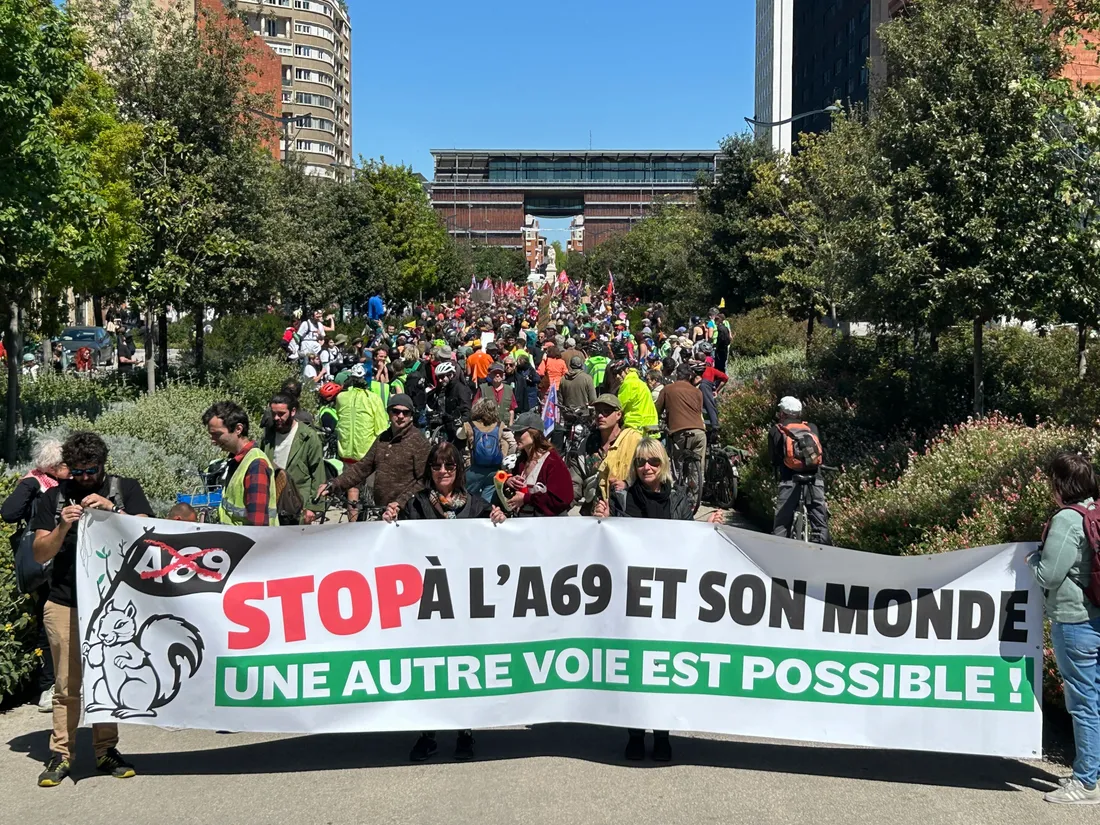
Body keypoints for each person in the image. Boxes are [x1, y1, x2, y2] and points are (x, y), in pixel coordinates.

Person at [31, 431, 153, 787]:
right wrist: (62, 525)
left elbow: (149, 536)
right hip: (64, 602)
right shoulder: (53, 498)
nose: (85, 478)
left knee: (107, 680)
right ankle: (61, 756)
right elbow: (40, 553)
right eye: (78, 472)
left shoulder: (124, 488)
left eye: (92, 470)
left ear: (103, 464)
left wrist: (115, 512)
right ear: (68, 468)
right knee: (67, 686)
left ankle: (105, 751)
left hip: (111, 607)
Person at [593, 438, 721, 760]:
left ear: (662, 464)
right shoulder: (622, 499)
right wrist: (601, 520)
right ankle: (635, 733)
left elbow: (688, 542)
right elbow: (603, 544)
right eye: (640, 463)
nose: (646, 468)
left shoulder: (678, 500)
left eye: (652, 462)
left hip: (668, 599)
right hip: (632, 598)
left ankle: (662, 734)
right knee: (635, 666)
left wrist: (707, 530)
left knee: (662, 667)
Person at [394, 442, 505, 763]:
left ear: (459, 470)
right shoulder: (415, 505)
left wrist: (498, 517)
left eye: (450, 466)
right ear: (430, 471)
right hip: (427, 603)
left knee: (464, 666)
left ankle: (465, 731)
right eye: (437, 466)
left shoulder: (477, 506)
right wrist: (390, 520)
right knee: (430, 668)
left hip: (466, 603)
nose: (443, 472)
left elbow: (502, 543)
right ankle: (428, 733)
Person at [1030, 453, 1100, 804]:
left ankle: (1086, 784)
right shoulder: (1096, 512)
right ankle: (1091, 768)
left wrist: (1032, 559)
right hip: (1098, 615)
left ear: (1060, 485)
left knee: (1083, 702)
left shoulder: (1068, 521)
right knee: (1096, 698)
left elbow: (1048, 575)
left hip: (1075, 622)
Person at [2, 439, 70, 713]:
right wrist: (30, 488)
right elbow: (8, 513)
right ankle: (47, 686)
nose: (70, 467)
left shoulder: (72, 484)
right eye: (65, 464)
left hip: (69, 560)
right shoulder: (34, 483)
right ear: (52, 466)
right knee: (49, 622)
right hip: (45, 564)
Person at [319, 393, 430, 520]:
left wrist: (400, 503)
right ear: (389, 412)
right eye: (396, 411)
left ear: (411, 416)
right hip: (382, 511)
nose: (400, 416)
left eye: (406, 413)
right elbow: (361, 468)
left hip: (408, 513)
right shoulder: (383, 438)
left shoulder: (418, 441)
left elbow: (424, 480)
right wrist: (334, 484)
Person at [202, 401, 276, 526]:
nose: (213, 441)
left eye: (217, 435)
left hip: (248, 543)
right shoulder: (237, 460)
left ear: (238, 429)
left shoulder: (256, 465)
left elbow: (258, 527)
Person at [769, 396, 829, 543]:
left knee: (782, 524)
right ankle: (824, 547)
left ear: (782, 413)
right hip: (815, 478)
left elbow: (774, 460)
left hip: (790, 479)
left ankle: (779, 552)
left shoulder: (776, 431)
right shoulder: (812, 428)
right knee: (820, 522)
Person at [261, 392, 326, 524]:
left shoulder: (308, 437)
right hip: (273, 501)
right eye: (273, 414)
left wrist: (313, 507)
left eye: (281, 414)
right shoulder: (268, 437)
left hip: (298, 503)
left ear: (293, 411)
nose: (276, 418)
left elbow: (318, 474)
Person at [499, 412, 574, 516]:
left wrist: (526, 499)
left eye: (520, 433)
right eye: (515, 433)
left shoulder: (553, 462)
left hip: (547, 527)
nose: (515, 436)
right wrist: (509, 482)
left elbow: (562, 499)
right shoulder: (521, 461)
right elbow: (515, 496)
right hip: (525, 525)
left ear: (534, 433)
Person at [581, 393, 643, 506]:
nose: (600, 416)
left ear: (618, 414)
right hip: (595, 512)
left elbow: (648, 475)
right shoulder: (589, 443)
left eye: (606, 412)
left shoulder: (633, 440)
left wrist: (627, 484)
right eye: (598, 411)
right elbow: (576, 479)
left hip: (626, 509)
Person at [658, 362, 708, 481]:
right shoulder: (698, 392)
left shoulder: (667, 389)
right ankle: (695, 494)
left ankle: (678, 489)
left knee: (677, 463)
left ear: (676, 375)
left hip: (679, 431)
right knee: (697, 468)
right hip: (699, 431)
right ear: (690, 376)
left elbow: (657, 409)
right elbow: (699, 410)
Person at [458, 398, 515, 502]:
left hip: (473, 468)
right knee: (487, 501)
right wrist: (505, 458)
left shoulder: (469, 425)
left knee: (468, 499)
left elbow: (459, 436)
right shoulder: (499, 425)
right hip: (494, 469)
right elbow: (513, 442)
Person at [335, 365, 389, 466]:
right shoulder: (373, 398)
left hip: (344, 453)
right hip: (366, 456)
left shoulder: (341, 397)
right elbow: (381, 428)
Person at [606, 361, 658, 432]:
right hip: (650, 424)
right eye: (615, 374)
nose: (617, 376)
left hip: (637, 427)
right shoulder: (639, 382)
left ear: (627, 370)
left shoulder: (628, 383)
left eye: (620, 372)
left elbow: (618, 406)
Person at [433, 360, 473, 442]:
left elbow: (467, 411)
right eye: (438, 378)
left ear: (451, 375)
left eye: (442, 377)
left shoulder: (461, 389)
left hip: (458, 432)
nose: (440, 381)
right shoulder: (447, 388)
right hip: (449, 430)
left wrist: (459, 424)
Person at [473, 363, 516, 427]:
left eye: (500, 373)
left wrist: (510, 426)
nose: (498, 375)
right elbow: (475, 409)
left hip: (504, 427)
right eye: (495, 373)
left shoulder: (509, 389)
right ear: (490, 375)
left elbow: (511, 410)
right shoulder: (483, 389)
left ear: (503, 375)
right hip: (487, 426)